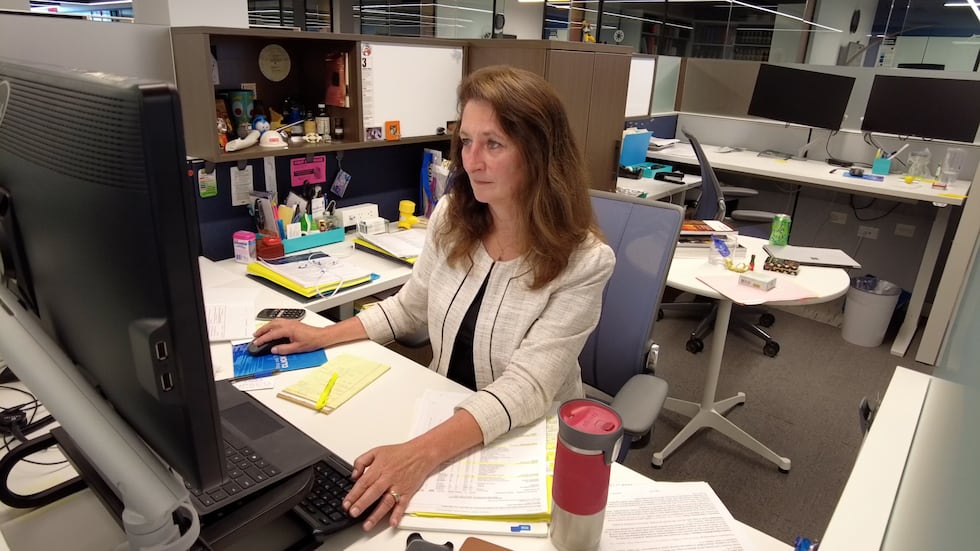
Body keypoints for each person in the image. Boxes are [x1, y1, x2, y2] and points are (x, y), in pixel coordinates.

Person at [251, 65, 615, 531]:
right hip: (441, 412)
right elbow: (409, 307)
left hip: (521, 443)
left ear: (541, 155)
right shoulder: (452, 216)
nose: (471, 161)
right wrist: (321, 335)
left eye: (494, 144)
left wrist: (418, 455)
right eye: (466, 141)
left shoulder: (584, 261)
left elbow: (527, 387)